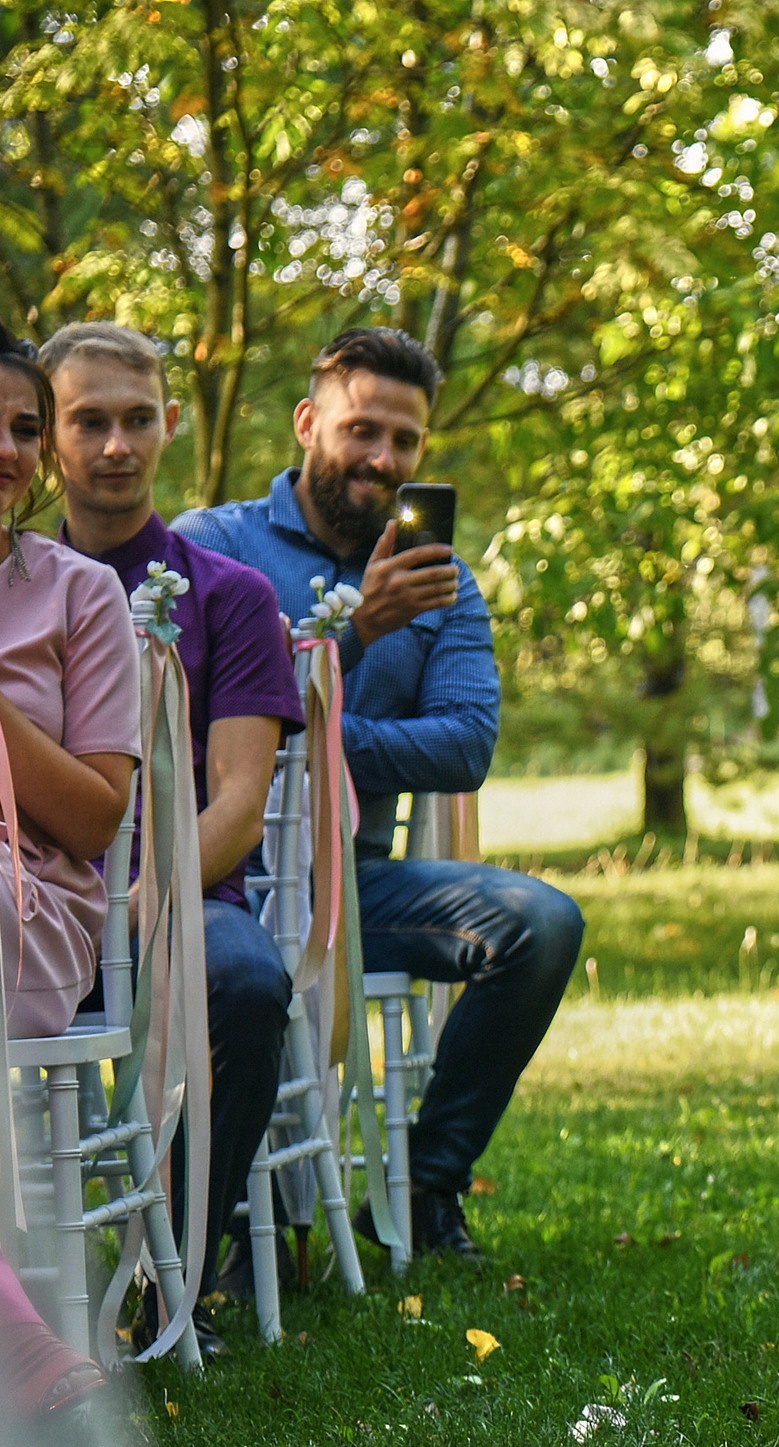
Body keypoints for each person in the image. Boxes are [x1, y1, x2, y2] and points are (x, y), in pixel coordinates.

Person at [175, 328, 583, 1262]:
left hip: (358, 886)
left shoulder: (445, 580)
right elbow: (192, 734)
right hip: (229, 880)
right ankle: (246, 1222)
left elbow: (464, 746)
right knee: (248, 967)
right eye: (363, 430)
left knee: (542, 923)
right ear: (309, 423)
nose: (382, 459)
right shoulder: (214, 546)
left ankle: (426, 1186)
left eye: (405, 442)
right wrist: (354, 635)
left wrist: (303, 734)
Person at [39, 322, 306, 1360]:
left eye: (137, 419)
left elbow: (239, 799)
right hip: (23, 902)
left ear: (171, 425)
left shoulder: (231, 595)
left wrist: (140, 899)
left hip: (180, 900)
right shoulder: (1, 592)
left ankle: (173, 1268)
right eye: (89, 420)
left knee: (242, 982)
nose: (116, 444)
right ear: (47, 436)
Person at [0, 311, 142, 1040]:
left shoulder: (81, 592)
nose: (5, 448)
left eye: (25, 431)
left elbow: (96, 819)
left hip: (25, 916)